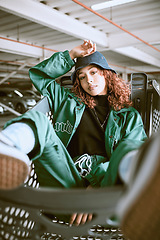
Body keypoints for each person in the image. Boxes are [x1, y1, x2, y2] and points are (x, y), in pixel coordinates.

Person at [0, 40, 147, 226]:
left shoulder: (128, 115)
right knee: (39, 121)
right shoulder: (66, 101)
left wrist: (95, 189)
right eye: (82, 77)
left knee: (130, 147)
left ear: (107, 75)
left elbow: (135, 151)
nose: (89, 81)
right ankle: (6, 146)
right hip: (68, 185)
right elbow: (38, 75)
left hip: (107, 191)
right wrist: (70, 56)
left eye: (93, 72)